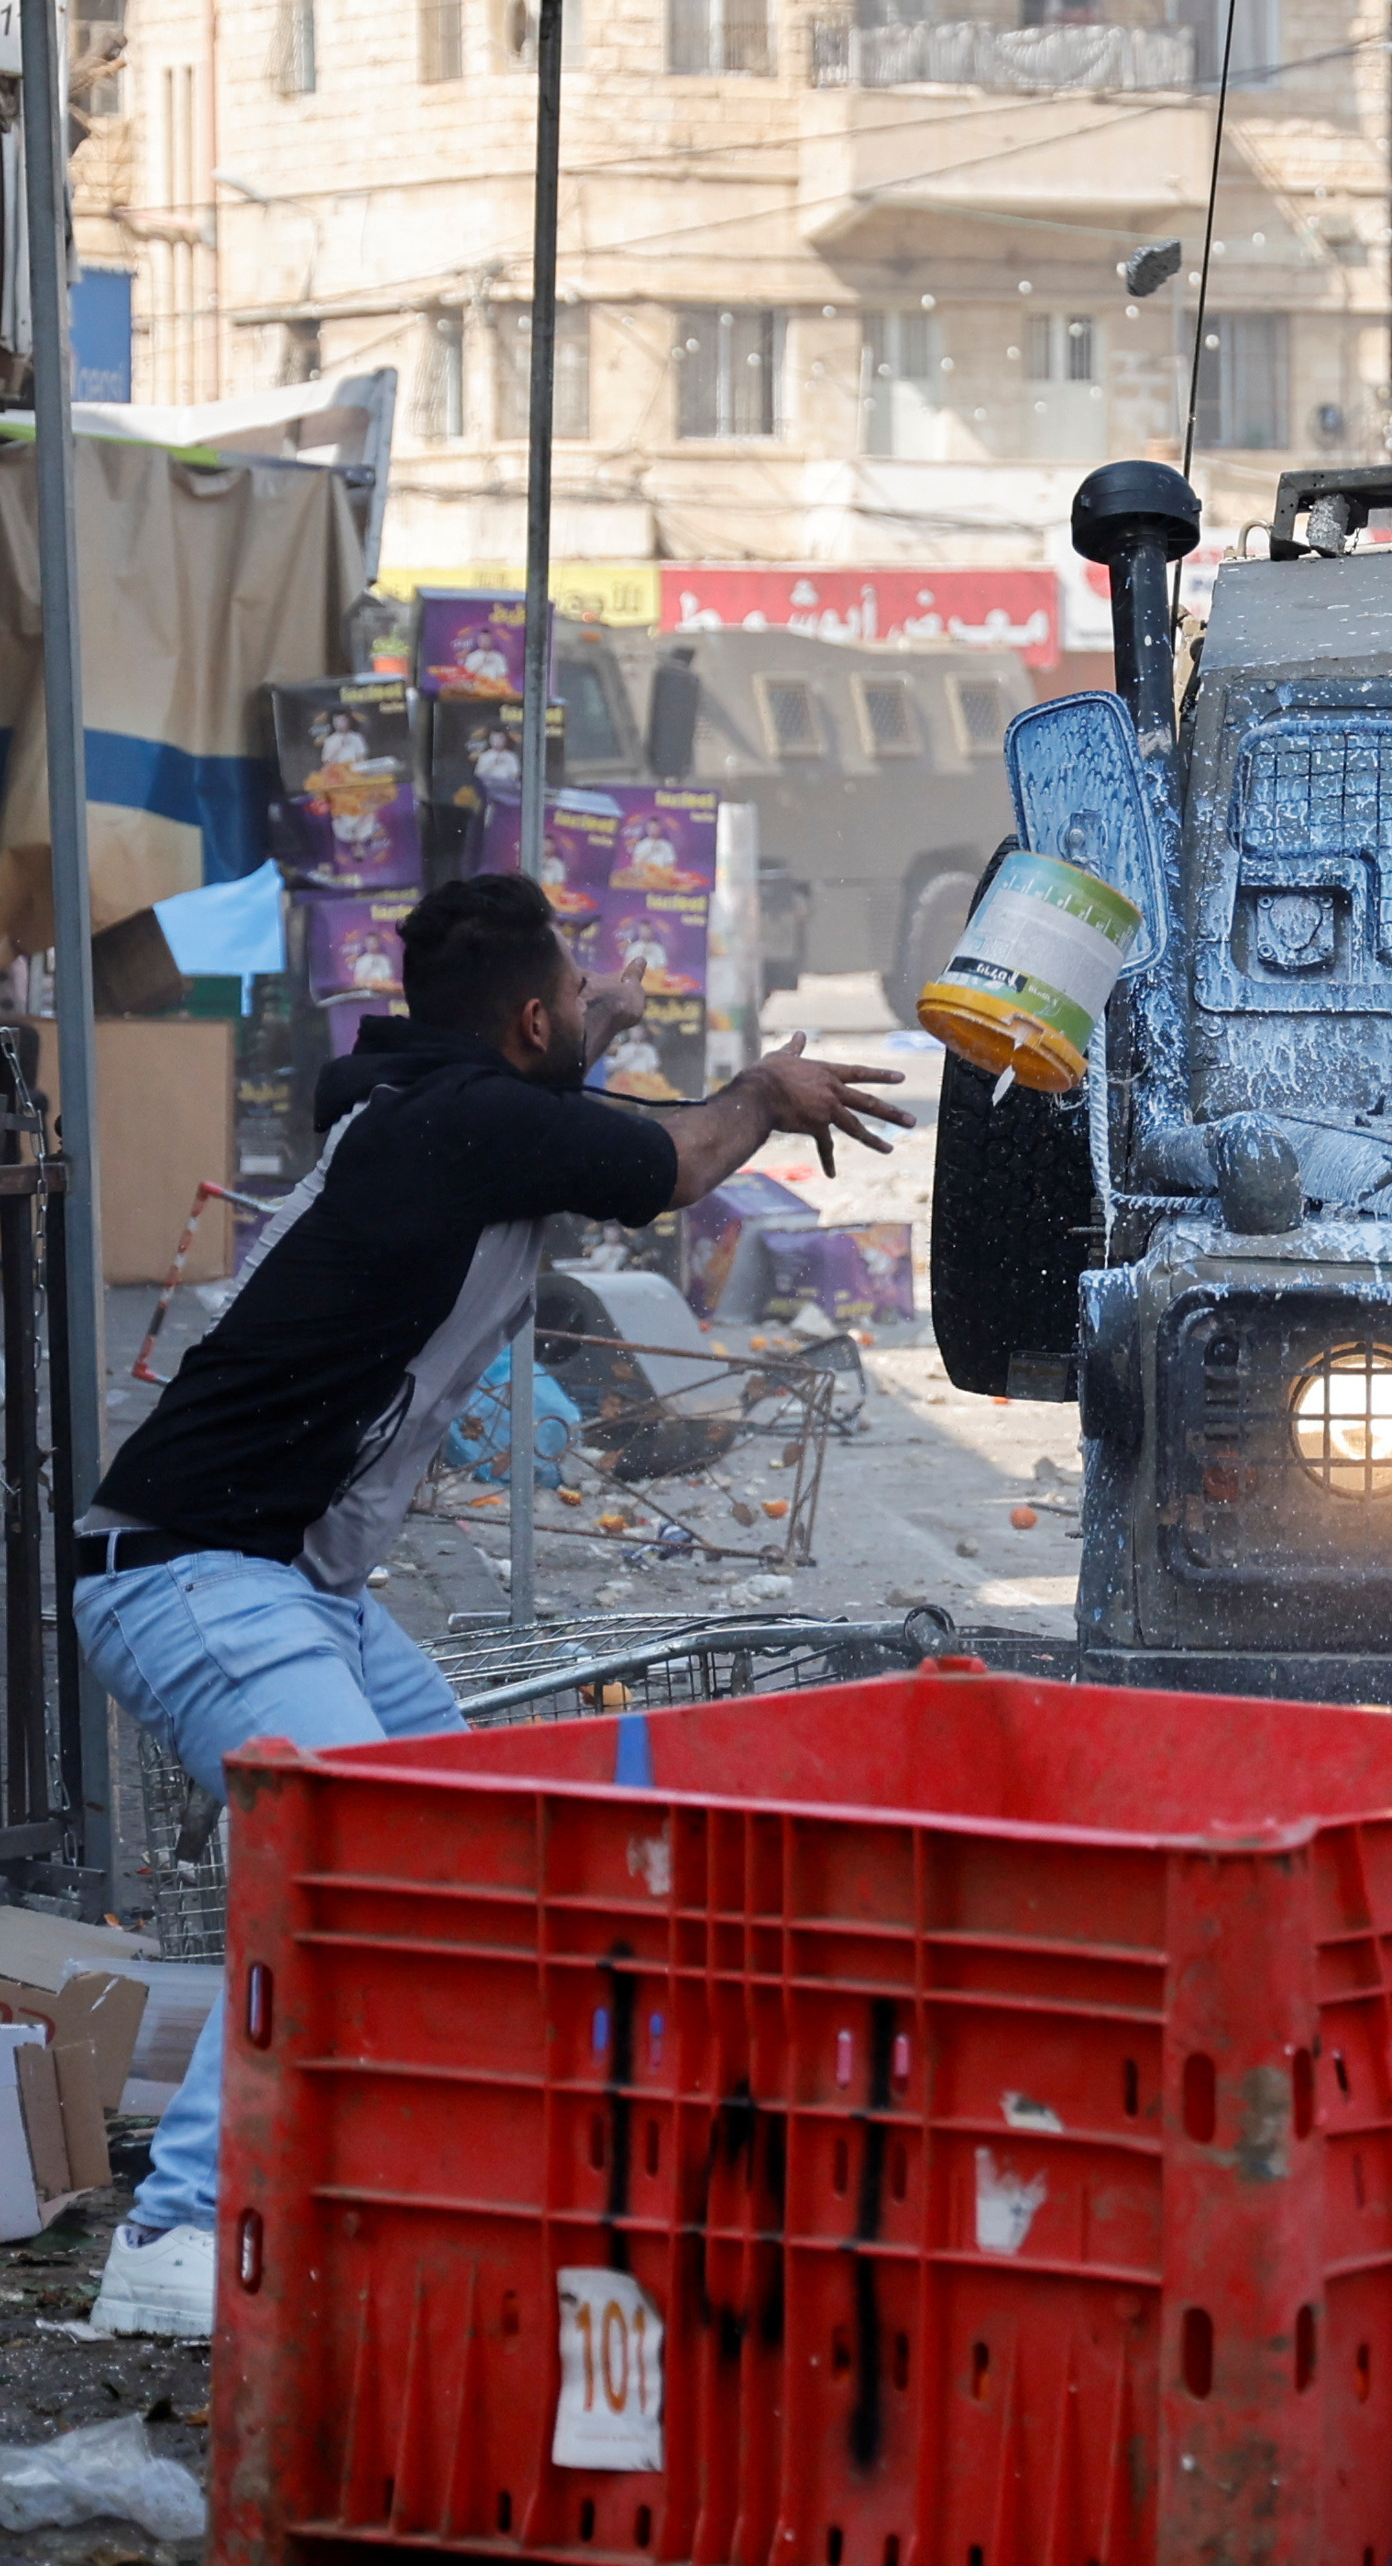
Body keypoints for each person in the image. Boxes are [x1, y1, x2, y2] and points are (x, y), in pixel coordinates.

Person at [72, 871, 904, 2336]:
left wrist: (603, 1022)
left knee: (475, 1844)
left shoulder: (430, 1101)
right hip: (195, 1571)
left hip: (295, 1588)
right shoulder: (463, 1123)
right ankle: (176, 2230)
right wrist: (764, 1095)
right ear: (526, 1024)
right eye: (573, 997)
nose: (588, 1011)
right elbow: (676, 1158)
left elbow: (571, 1103)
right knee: (341, 1855)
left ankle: (402, 2177)